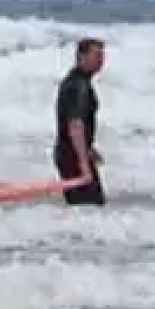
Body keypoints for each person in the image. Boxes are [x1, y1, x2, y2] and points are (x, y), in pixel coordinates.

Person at [53, 37, 108, 205]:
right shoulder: (78, 86)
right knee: (90, 206)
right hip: (72, 157)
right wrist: (84, 163)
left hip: (72, 154)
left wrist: (89, 149)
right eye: (96, 56)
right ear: (81, 57)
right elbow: (75, 124)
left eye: (102, 56)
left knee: (87, 207)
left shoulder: (78, 81)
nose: (101, 60)